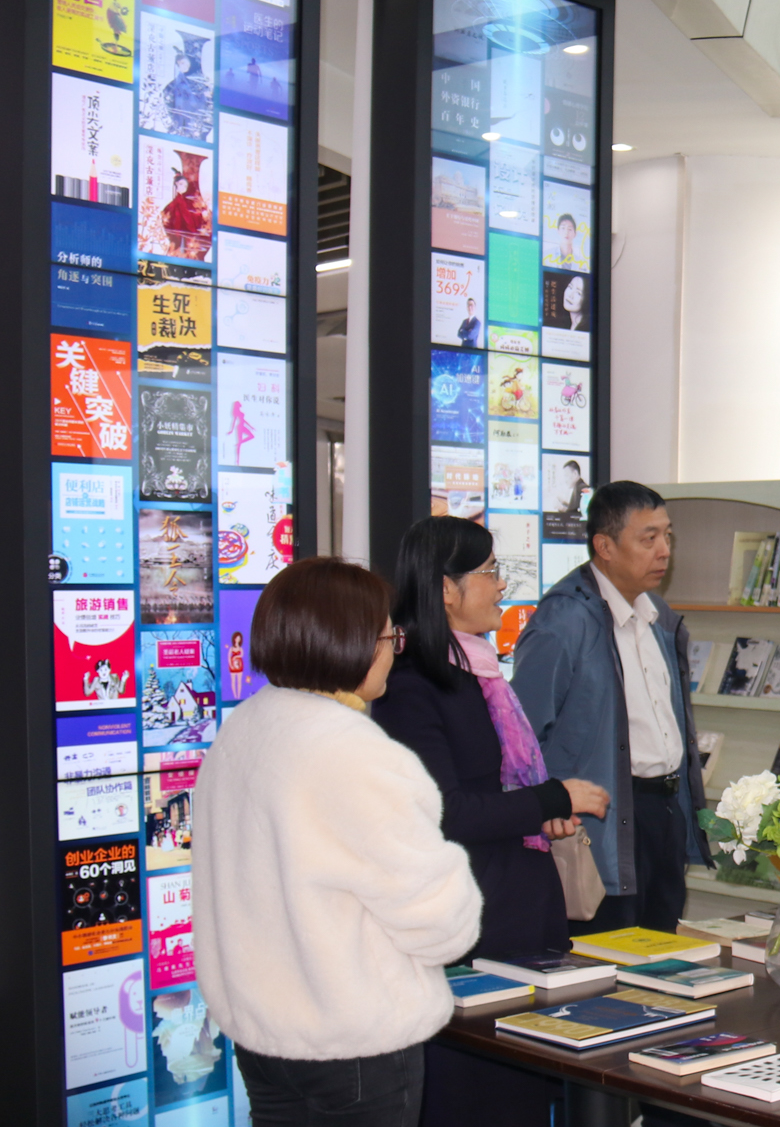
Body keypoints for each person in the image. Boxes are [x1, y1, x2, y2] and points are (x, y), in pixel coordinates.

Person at [192, 557, 481, 1127]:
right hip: (354, 1040)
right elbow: (441, 923)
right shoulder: (357, 753)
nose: (394, 650)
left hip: (262, 1034)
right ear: (350, 644)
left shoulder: (243, 729)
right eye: (388, 637)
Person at [372, 517, 610, 1127]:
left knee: (524, 1096)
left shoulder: (478, 670)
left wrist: (543, 811)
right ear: (445, 589)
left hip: (519, 913)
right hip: (473, 925)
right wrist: (551, 798)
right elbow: (445, 811)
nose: (502, 585)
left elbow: (498, 788)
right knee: (476, 1099)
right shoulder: (412, 684)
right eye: (489, 572)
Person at [512, 481, 711, 931]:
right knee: (609, 950)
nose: (664, 551)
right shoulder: (563, 623)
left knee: (662, 952)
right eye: (648, 538)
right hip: (602, 820)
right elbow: (521, 736)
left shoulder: (657, 616)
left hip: (663, 812)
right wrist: (547, 804)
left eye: (667, 536)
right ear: (604, 546)